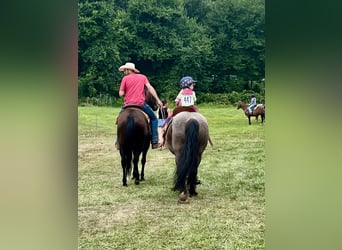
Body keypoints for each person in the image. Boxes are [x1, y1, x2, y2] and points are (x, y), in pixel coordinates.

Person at [116, 62, 163, 149]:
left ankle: (118, 141)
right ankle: (154, 141)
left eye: (124, 70)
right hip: (141, 104)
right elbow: (150, 88)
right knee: (154, 119)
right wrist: (158, 100)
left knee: (119, 120)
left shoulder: (125, 79)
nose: (124, 72)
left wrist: (125, 92)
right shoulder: (143, 77)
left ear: (128, 70)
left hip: (128, 105)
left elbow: (121, 93)